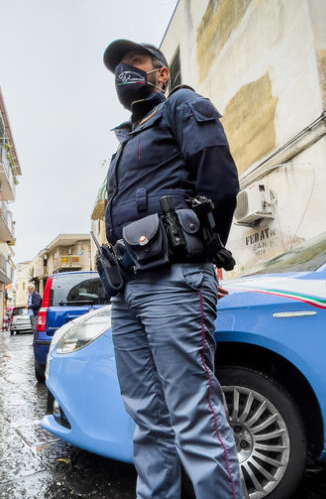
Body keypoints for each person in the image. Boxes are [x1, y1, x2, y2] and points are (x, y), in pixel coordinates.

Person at [101, 39, 244, 499]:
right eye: (120, 67)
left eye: (137, 63)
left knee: (195, 414)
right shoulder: (124, 139)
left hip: (173, 280)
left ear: (161, 73)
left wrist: (205, 254)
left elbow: (219, 181)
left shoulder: (182, 104)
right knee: (147, 418)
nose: (127, 72)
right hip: (128, 289)